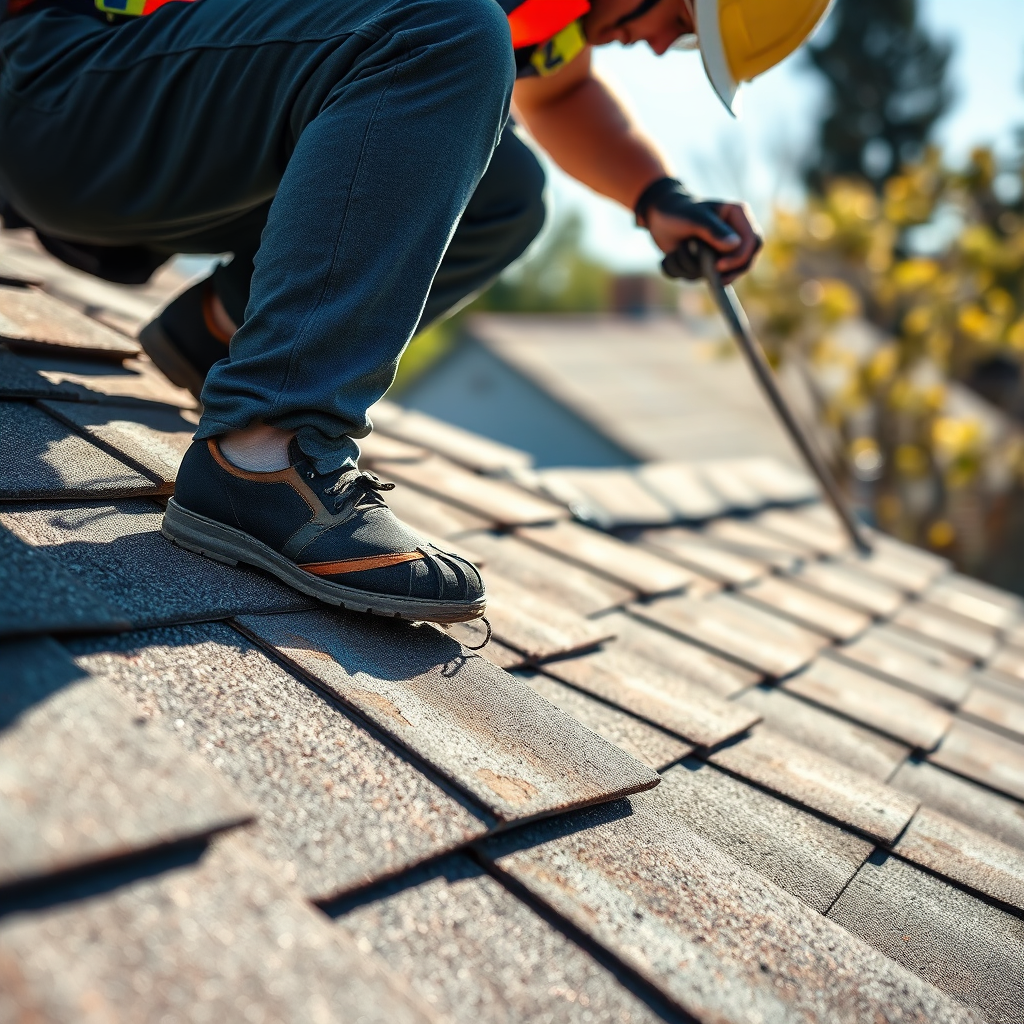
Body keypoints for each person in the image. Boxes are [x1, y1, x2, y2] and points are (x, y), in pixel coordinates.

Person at [0, 0, 831, 623]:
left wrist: (658, 196)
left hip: (153, 135)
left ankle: (218, 333)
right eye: (680, 18)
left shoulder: (561, 13)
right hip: (62, 86)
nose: (659, 46)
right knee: (443, 35)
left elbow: (563, 94)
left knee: (506, 193)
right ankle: (265, 451)